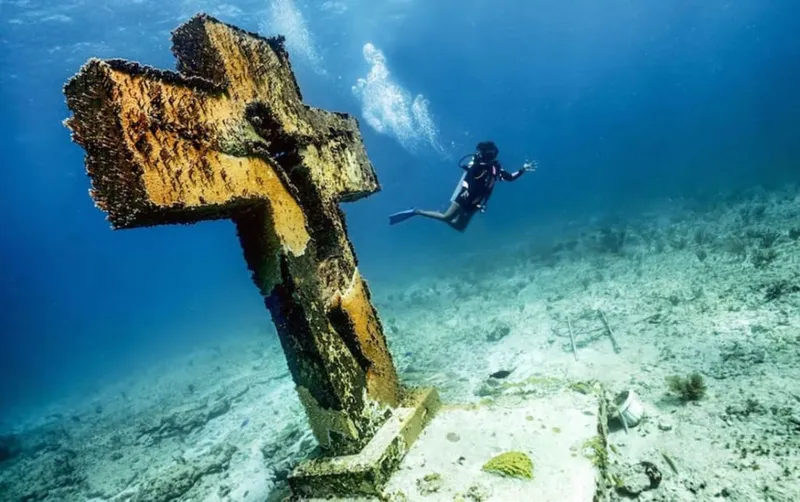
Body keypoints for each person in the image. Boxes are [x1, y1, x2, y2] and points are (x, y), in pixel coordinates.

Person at [388, 141, 537, 231]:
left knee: (459, 227)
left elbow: (509, 178)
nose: (491, 158)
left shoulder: (496, 168)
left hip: (476, 202)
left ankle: (432, 213)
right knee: (447, 217)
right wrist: (465, 190)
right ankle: (417, 211)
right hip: (465, 197)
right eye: (489, 155)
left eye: (493, 155)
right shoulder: (477, 166)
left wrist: (522, 170)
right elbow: (468, 178)